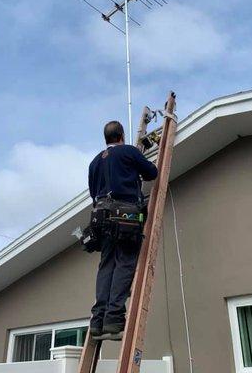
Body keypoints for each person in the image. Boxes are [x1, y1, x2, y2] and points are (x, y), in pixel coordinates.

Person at [88, 121, 158, 340]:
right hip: (125, 217)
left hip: (101, 218)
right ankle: (114, 320)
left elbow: (93, 194)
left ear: (106, 138)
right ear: (122, 136)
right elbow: (152, 173)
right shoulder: (128, 151)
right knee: (125, 263)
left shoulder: (94, 162)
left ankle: (98, 322)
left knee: (106, 265)